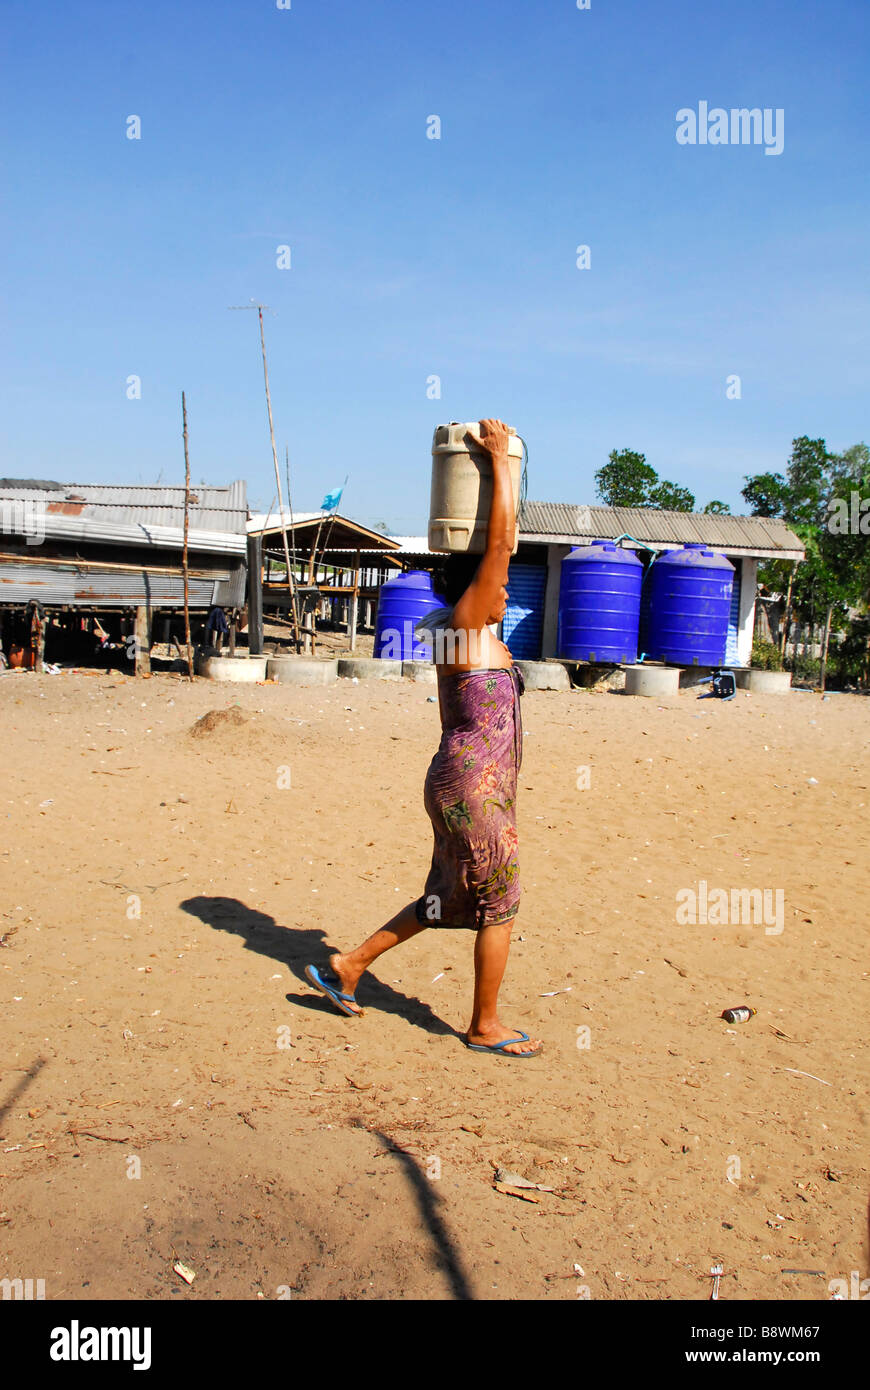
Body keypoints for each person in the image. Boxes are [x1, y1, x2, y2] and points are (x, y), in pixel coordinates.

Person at [305, 418, 542, 1058]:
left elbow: (497, 558)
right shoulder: (465, 627)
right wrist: (503, 466)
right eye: (498, 584)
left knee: (447, 897)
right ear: (476, 587)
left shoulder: (466, 635)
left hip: (464, 782)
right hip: (471, 786)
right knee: (500, 900)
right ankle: (485, 1026)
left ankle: (345, 968)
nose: (506, 592)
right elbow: (501, 545)